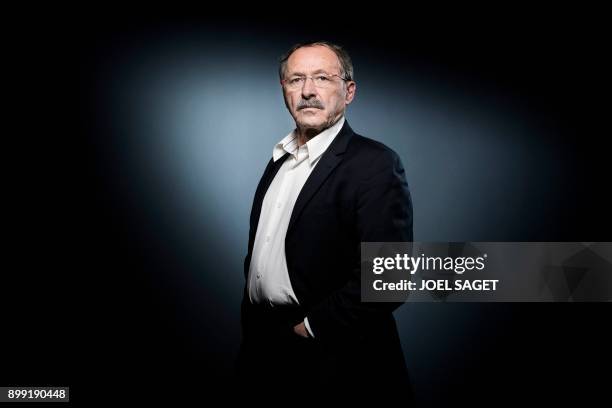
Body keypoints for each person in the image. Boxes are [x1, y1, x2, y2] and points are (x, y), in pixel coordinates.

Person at [236, 41, 414, 401]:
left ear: (348, 91)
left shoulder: (374, 163)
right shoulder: (279, 160)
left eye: (322, 78)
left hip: (335, 358)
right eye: (296, 79)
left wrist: (311, 327)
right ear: (283, 91)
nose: (308, 91)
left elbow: (390, 276)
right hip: (263, 347)